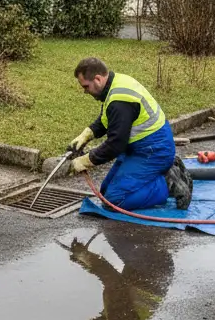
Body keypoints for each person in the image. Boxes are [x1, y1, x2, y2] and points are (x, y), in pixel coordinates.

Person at [64, 56, 192, 211]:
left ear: (97, 79)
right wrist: (87, 134)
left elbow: (115, 145)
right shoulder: (115, 84)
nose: (85, 91)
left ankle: (168, 182)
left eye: (86, 86)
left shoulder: (120, 100)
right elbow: (108, 118)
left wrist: (86, 160)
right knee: (105, 193)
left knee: (116, 200)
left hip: (154, 151)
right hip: (139, 148)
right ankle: (158, 175)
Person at [66, 230, 177, 320]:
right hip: (152, 265)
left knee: (130, 236)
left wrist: (84, 261)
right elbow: (112, 280)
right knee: (114, 231)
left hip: (154, 270)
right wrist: (85, 256)